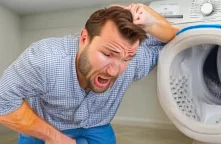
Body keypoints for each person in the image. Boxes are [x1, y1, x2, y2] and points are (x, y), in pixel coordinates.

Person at [0, 3, 178, 144]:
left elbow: (174, 39)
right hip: (44, 122)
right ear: (84, 38)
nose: (115, 71)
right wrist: (54, 137)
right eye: (108, 54)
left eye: (126, 58)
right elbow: (2, 103)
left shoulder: (133, 62)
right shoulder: (44, 59)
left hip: (96, 124)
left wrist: (149, 17)